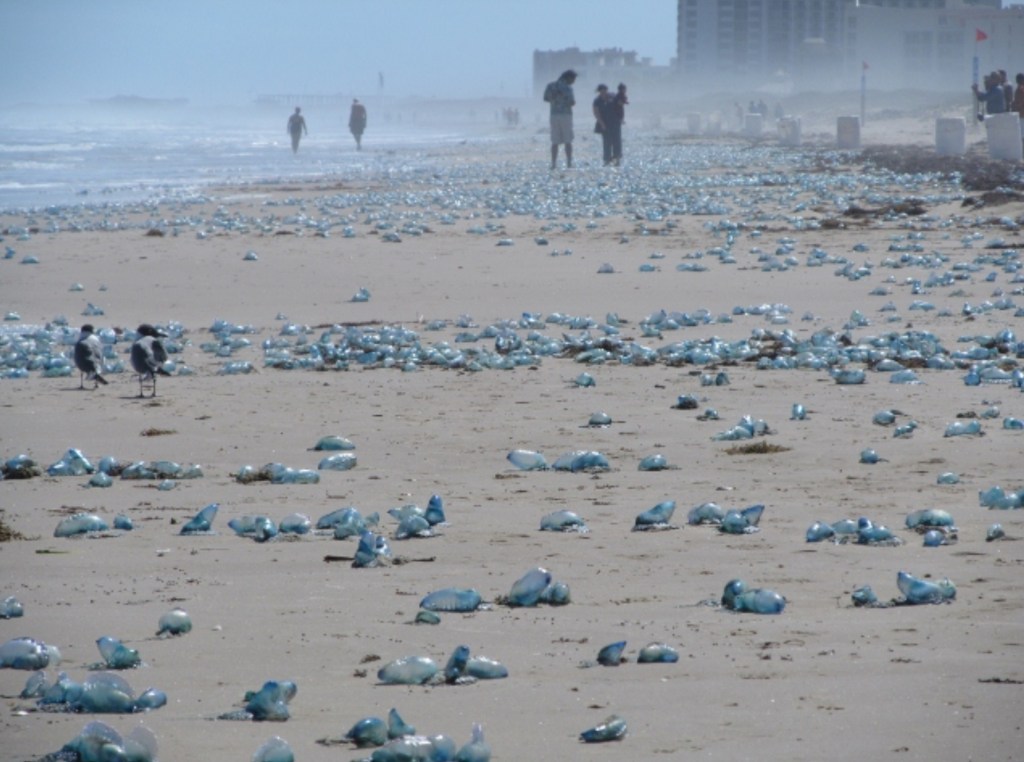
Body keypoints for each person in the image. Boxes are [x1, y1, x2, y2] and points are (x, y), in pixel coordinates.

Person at [543, 69, 577, 169]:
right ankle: (569, 162)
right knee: (568, 140)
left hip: (554, 114)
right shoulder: (568, 88)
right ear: (569, 78)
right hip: (566, 115)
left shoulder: (550, 85)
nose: (573, 82)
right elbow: (572, 102)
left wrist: (555, 99)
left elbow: (545, 98)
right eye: (573, 79)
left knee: (555, 141)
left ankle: (553, 163)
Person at [592, 84, 616, 166]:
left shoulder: (612, 97)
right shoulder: (597, 101)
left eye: (605, 90)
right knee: (606, 141)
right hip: (604, 123)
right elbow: (596, 113)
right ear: (599, 91)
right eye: (602, 91)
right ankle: (607, 159)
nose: (604, 92)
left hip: (614, 122)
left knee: (616, 141)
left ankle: (616, 158)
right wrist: (602, 123)